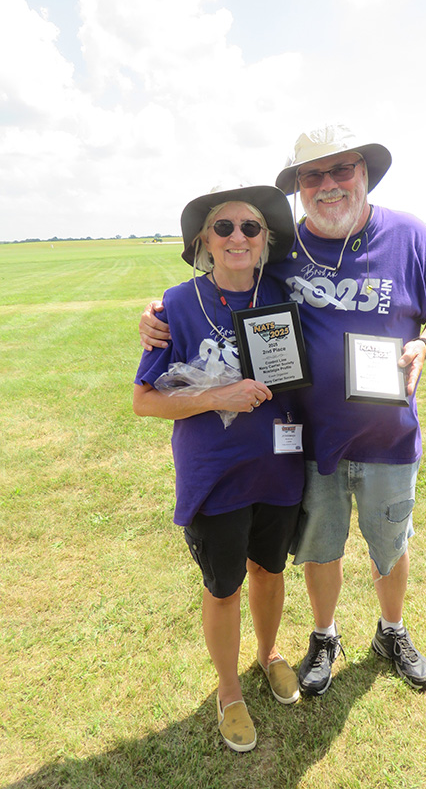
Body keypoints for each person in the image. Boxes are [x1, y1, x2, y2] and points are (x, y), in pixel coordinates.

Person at [139, 124, 426, 697]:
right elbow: (230, 279)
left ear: (364, 174)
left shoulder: (411, 235)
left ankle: (392, 631)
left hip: (388, 432)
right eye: (313, 175)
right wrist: (159, 312)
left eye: (342, 170)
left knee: (391, 543)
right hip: (313, 438)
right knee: (322, 546)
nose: (329, 185)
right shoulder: (285, 251)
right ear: (299, 189)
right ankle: (324, 635)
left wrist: (425, 343)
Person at [133, 183, 304, 752]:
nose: (237, 237)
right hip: (215, 475)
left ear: (264, 242)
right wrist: (217, 398)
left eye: (250, 228)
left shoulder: (284, 293)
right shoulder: (176, 305)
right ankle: (229, 691)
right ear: (204, 240)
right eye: (224, 227)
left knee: (270, 571)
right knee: (224, 587)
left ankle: (269, 653)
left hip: (280, 466)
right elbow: (145, 400)